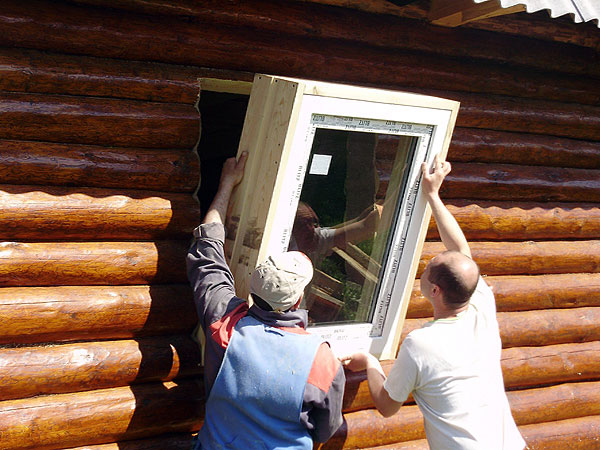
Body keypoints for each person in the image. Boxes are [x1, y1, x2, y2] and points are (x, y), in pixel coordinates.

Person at [341, 155, 525, 450]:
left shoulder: (420, 343)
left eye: (428, 268)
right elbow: (460, 250)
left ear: (435, 291)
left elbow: (388, 407)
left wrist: (371, 362)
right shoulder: (481, 307)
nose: (423, 268)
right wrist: (432, 195)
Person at [187, 152, 345, 450]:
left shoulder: (227, 325)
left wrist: (227, 183)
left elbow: (207, 248)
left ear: (252, 287)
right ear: (299, 298)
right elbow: (324, 431)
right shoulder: (321, 359)